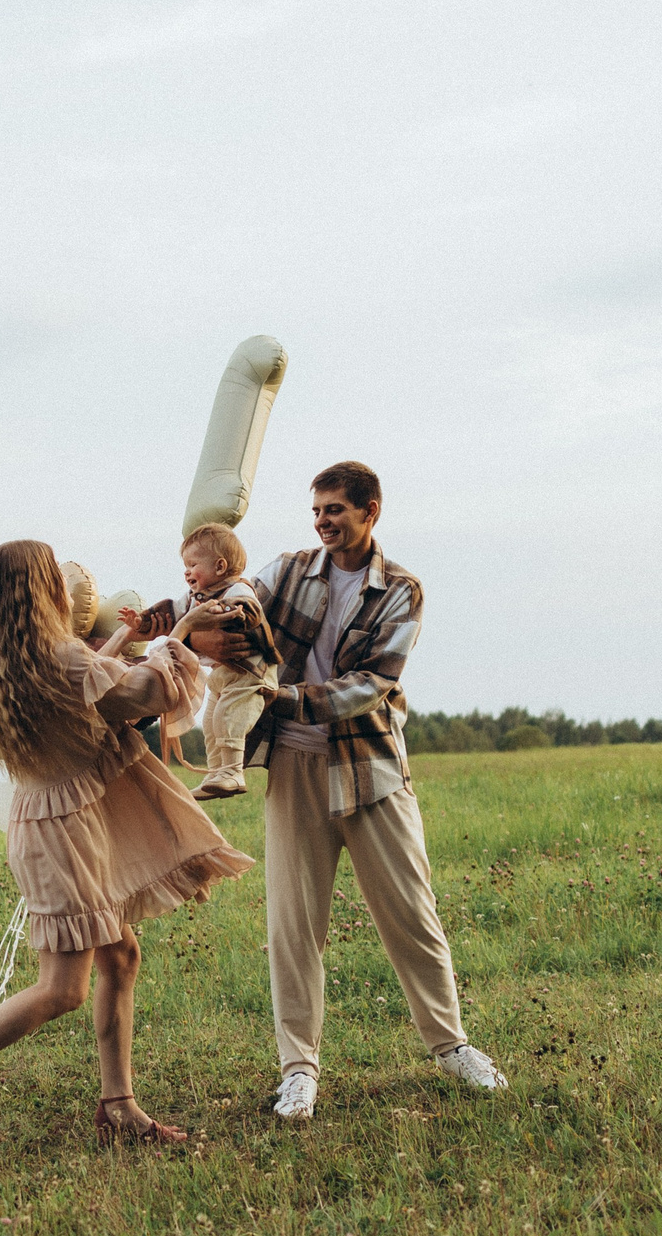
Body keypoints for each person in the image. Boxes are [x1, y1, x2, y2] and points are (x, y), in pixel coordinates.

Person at [135, 461, 503, 1120]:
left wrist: (284, 695)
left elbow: (373, 682)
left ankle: (451, 1047)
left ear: (371, 510)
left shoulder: (402, 591)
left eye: (335, 509)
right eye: (317, 510)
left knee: (412, 915)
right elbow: (236, 604)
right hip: (296, 773)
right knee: (293, 927)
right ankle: (298, 1071)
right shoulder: (289, 570)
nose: (323, 521)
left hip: (372, 769)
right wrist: (185, 611)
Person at [0, 540, 254, 1154]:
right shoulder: (61, 658)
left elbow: (95, 687)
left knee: (121, 957)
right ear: (45, 591)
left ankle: (119, 1106)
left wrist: (137, 642)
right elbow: (145, 695)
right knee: (64, 987)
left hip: (51, 827)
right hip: (63, 837)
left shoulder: (15, 663)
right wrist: (183, 632)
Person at [174, 522, 279, 800]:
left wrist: (229, 613)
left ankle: (233, 771)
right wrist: (148, 618)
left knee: (227, 717)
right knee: (210, 722)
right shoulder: (195, 596)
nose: (186, 571)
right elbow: (173, 612)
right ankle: (216, 773)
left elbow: (251, 612)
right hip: (222, 675)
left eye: (193, 564)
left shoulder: (236, 591)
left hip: (250, 674)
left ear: (219, 567)